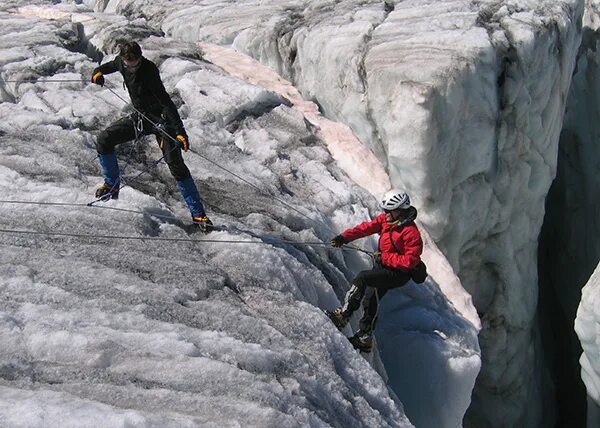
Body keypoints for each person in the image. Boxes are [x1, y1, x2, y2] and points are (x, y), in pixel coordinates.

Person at [91, 41, 212, 231]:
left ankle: (199, 215)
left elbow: (166, 101)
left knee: (175, 165)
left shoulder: (149, 71)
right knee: (104, 139)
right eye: (129, 64)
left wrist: (180, 131)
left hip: (161, 121)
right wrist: (98, 72)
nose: (133, 68)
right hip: (141, 118)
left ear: (140, 58)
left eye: (136, 63)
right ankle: (111, 185)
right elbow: (110, 66)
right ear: (124, 59)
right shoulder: (121, 63)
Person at [327, 189, 427, 352]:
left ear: (400, 211)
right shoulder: (388, 221)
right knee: (370, 298)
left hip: (398, 274)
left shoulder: (411, 233)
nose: (385, 214)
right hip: (383, 267)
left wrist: (385, 258)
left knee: (362, 278)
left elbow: (410, 261)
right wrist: (344, 238)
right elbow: (366, 228)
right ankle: (364, 338)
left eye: (389, 211)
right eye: (385, 210)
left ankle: (343, 316)